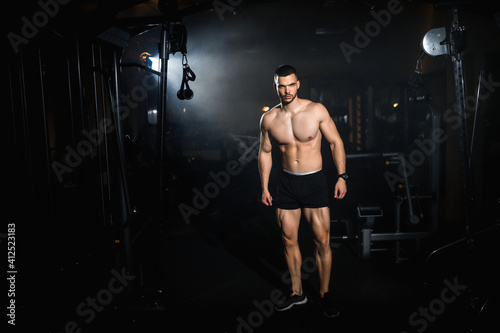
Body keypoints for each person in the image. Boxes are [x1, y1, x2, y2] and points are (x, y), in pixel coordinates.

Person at [258, 64, 347, 317]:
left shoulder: (316, 110)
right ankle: (297, 293)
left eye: (291, 84)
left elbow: (335, 142)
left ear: (298, 85)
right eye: (281, 85)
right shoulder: (269, 119)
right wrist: (264, 186)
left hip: (314, 182)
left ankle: (325, 294)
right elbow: (264, 152)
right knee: (288, 240)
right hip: (286, 185)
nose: (287, 90)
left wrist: (342, 176)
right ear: (276, 87)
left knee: (322, 241)